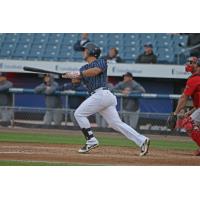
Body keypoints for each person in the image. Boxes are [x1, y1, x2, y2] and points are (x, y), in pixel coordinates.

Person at [62, 42, 150, 156]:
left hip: (102, 94)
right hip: (101, 97)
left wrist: (79, 73)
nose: (83, 52)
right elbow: (76, 81)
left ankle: (91, 140)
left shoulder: (101, 61)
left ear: (91, 51)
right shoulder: (83, 67)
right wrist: (69, 75)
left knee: (79, 114)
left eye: (85, 50)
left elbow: (95, 71)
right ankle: (142, 140)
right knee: (115, 123)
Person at [169, 56, 200, 156]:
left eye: (191, 63)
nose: (188, 65)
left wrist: (175, 113)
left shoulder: (195, 78)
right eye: (188, 62)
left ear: (197, 65)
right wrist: (189, 112)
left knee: (188, 123)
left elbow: (184, 98)